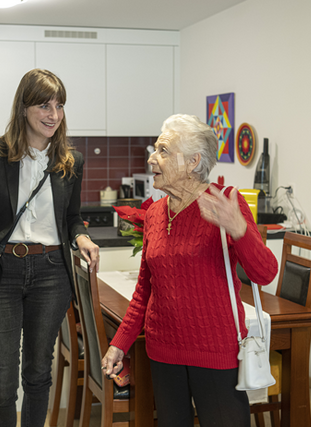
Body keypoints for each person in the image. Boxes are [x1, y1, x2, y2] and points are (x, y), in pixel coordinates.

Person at [0, 68, 100, 427]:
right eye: (44, 105)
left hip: (51, 275)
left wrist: (82, 236)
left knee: (38, 372)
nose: (53, 115)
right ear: (24, 108)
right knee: (0, 380)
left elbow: (72, 217)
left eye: (59, 106)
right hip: (2, 274)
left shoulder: (70, 162)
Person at [100, 114, 278, 427]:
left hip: (215, 350)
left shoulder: (225, 203)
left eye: (163, 151)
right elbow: (145, 290)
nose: (152, 158)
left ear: (193, 161)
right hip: (163, 351)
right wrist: (119, 344)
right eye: (156, 150)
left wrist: (239, 229)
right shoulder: (155, 212)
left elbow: (265, 274)